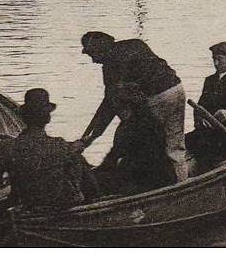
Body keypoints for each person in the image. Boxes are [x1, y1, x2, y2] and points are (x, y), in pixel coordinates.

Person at [76, 31, 188, 182]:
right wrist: (90, 133)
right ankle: (181, 181)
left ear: (101, 50)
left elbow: (109, 105)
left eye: (92, 55)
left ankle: (150, 184)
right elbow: (110, 100)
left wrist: (92, 137)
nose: (93, 60)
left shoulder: (111, 65)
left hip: (156, 98)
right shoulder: (136, 43)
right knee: (175, 144)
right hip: (177, 89)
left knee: (137, 141)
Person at [0, 88, 98, 210]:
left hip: (26, 209)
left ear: (23, 117)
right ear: (48, 118)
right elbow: (92, 189)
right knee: (77, 160)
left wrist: (7, 182)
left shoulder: (7, 147)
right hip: (60, 212)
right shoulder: (61, 146)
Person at [93, 82, 177, 195]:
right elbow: (115, 155)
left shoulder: (138, 126)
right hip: (151, 173)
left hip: (149, 179)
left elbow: (135, 158)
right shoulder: (143, 121)